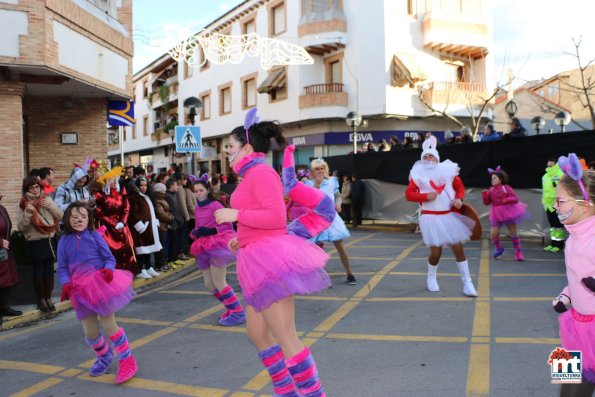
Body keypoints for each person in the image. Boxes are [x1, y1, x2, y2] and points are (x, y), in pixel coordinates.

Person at [214, 109, 329, 397]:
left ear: (248, 148)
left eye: (230, 146)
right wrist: (242, 237)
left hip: (268, 263)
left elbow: (277, 218)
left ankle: (312, 394)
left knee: (286, 336)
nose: (227, 151)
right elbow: (260, 218)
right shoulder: (251, 174)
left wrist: (235, 213)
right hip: (255, 258)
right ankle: (285, 390)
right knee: (257, 334)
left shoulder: (262, 172)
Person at [57, 201, 137, 384]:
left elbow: (109, 258)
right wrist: (65, 284)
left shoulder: (94, 236)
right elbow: (62, 268)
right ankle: (105, 357)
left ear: (89, 219)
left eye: (83, 217)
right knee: (90, 332)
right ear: (68, 219)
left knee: (109, 325)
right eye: (75, 217)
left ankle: (127, 360)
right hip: (79, 290)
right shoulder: (63, 241)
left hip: (99, 285)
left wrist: (109, 270)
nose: (79, 220)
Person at [405, 136, 478, 297]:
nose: (428, 158)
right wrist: (425, 197)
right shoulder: (417, 174)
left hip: (448, 216)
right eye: (425, 156)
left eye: (431, 155)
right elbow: (409, 194)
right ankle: (431, 277)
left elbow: (459, 186)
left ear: (437, 158)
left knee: (458, 248)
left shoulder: (448, 170)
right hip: (430, 218)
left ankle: (467, 283)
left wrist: (459, 198)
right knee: (436, 252)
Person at [550, 153, 595, 395]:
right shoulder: (573, 236)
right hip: (574, 324)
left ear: (585, 204)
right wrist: (567, 296)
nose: (556, 206)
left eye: (562, 201)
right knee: (567, 388)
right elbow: (577, 276)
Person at [189, 174, 245, 326]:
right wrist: (195, 232)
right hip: (203, 246)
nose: (198, 193)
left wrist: (210, 231)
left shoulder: (215, 205)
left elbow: (227, 226)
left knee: (219, 281)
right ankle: (230, 307)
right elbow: (198, 225)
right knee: (209, 283)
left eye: (201, 190)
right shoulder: (197, 207)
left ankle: (238, 312)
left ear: (208, 190)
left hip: (217, 244)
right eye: (196, 191)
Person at [307, 158, 357, 285]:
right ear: (313, 170)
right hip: (316, 218)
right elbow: (309, 200)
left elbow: (337, 195)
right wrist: (317, 184)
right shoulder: (308, 183)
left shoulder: (332, 181)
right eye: (317, 169)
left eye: (322, 168)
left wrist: (338, 204)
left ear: (325, 169)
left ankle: (349, 273)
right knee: (313, 248)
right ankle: (315, 275)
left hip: (331, 218)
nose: (320, 171)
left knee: (340, 246)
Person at [17, 176, 63, 312]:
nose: (35, 190)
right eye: (32, 187)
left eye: (37, 186)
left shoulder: (47, 199)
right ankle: (41, 300)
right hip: (35, 242)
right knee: (39, 271)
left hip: (48, 239)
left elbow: (60, 216)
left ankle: (48, 298)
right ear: (27, 189)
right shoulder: (23, 204)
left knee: (49, 271)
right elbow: (21, 227)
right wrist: (28, 213)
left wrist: (50, 206)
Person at [94, 167, 140, 276]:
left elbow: (126, 208)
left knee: (127, 248)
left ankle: (127, 272)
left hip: (122, 226)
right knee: (110, 250)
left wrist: (122, 222)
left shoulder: (121, 192)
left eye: (116, 180)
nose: (114, 182)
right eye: (112, 180)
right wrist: (112, 223)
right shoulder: (100, 195)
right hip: (107, 229)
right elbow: (98, 212)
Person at [482, 166, 530, 261]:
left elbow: (515, 199)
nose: (492, 180)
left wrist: (507, 199)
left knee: (513, 233)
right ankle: (499, 249)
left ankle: (518, 252)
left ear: (500, 180)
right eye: (491, 179)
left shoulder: (506, 188)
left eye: (494, 178)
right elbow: (487, 202)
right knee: (493, 234)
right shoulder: (491, 190)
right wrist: (484, 195)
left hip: (508, 211)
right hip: (496, 213)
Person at [127, 177, 162, 279]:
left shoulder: (147, 196)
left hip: (149, 227)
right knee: (141, 249)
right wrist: (140, 226)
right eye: (141, 185)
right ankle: (141, 269)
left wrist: (154, 221)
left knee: (148, 248)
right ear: (137, 186)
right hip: (141, 228)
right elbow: (133, 213)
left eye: (145, 185)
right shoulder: (135, 197)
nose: (143, 187)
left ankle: (148, 267)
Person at [0, 194, 22, 320]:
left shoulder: (2, 208)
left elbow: (8, 226)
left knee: (6, 281)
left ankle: (5, 307)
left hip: (5, 251)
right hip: (2, 246)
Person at [543, 158, 567, 253]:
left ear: (555, 164)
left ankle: (559, 245)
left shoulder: (561, 174)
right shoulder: (545, 176)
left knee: (558, 225)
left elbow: (563, 188)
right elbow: (545, 191)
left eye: (551, 165)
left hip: (557, 203)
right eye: (548, 164)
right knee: (552, 225)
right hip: (547, 204)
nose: (549, 166)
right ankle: (553, 243)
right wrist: (544, 202)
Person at [150, 183, 172, 272]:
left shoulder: (161, 199)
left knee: (163, 245)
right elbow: (161, 214)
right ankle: (160, 264)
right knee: (161, 246)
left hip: (164, 225)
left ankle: (163, 263)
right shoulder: (158, 201)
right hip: (160, 226)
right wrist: (171, 217)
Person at [165, 178, 185, 269]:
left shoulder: (174, 194)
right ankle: (170, 260)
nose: (177, 186)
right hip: (173, 223)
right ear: (172, 186)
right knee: (172, 243)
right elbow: (173, 209)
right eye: (176, 185)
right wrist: (179, 219)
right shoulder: (168, 195)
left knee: (176, 242)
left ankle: (175, 258)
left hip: (178, 222)